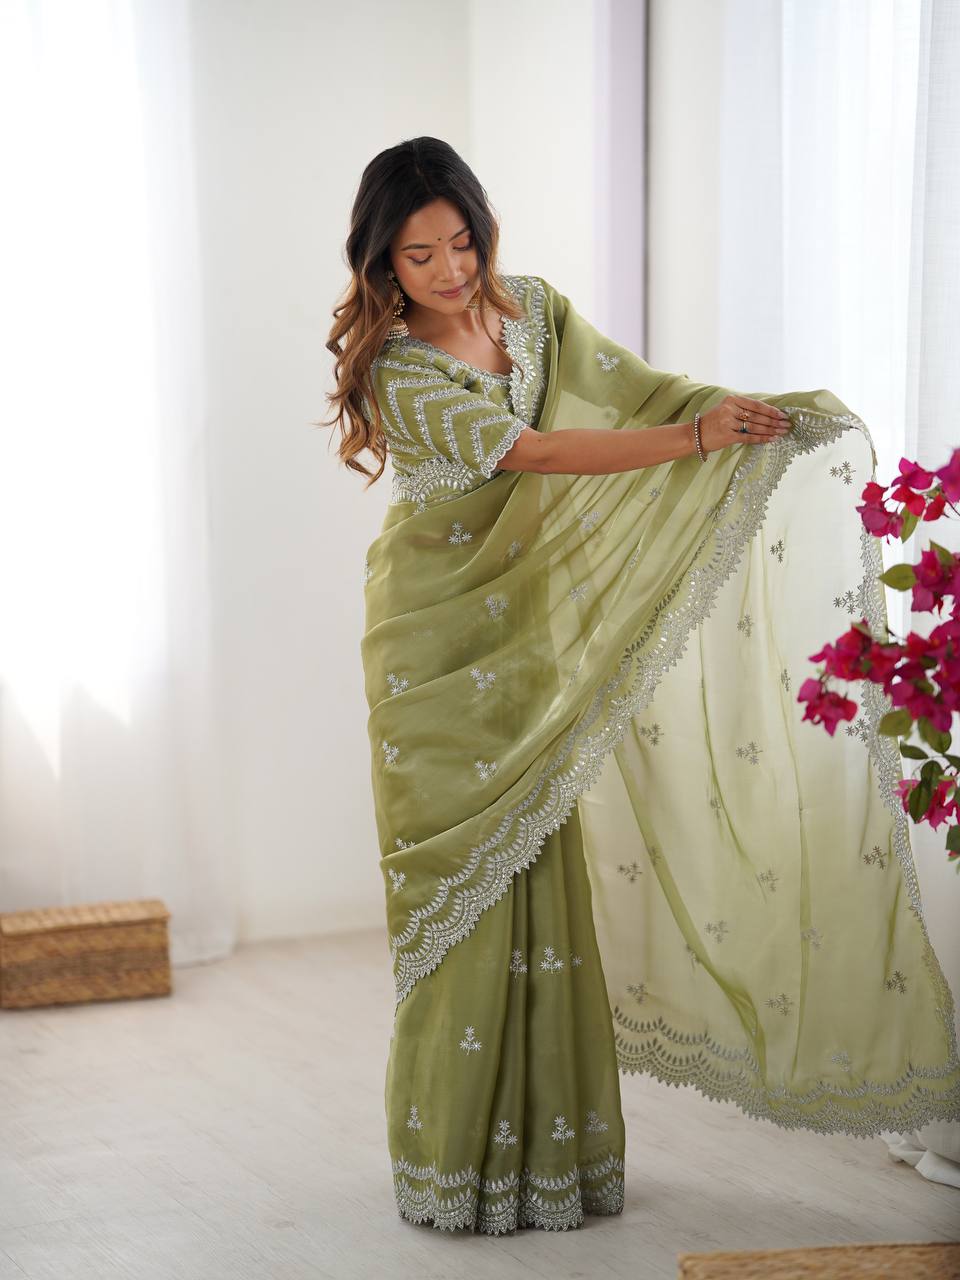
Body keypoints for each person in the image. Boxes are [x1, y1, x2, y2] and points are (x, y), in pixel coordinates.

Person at [322, 136, 960, 1235]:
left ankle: (552, 1165)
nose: (451, 271)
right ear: (382, 261)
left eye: (462, 242)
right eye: (420, 255)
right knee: (462, 895)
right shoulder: (399, 367)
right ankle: (457, 1165)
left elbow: (636, 393)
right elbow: (533, 452)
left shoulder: (534, 312)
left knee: (539, 869)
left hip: (529, 627)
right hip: (434, 646)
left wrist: (746, 417)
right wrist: (693, 436)